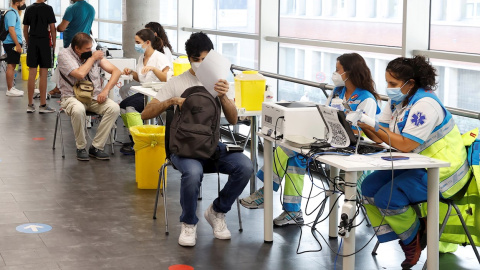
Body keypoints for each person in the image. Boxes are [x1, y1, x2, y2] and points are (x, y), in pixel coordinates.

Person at [240, 53, 381, 226]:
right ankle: (292, 213)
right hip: (330, 139)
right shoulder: (338, 92)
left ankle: (266, 192)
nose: (334, 73)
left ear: (350, 72)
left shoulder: (367, 99)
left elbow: (362, 131)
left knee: (286, 149)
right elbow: (326, 114)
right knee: (296, 156)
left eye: (338, 70)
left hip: (351, 147)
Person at [141, 32, 253, 247]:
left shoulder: (218, 82)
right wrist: (172, 101)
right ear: (189, 58)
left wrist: (223, 96)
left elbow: (232, 119)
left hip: (211, 146)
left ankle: (217, 211)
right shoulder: (178, 82)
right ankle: (189, 223)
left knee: (245, 166)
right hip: (183, 148)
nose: (200, 64)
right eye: (196, 59)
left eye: (204, 59)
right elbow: (146, 113)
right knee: (193, 173)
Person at [359, 56, 471, 269]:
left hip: (444, 170)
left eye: (392, 84)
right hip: (416, 163)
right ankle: (412, 230)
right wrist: (361, 123)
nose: (388, 88)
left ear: (410, 83)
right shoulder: (397, 100)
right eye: (387, 83)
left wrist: (373, 125)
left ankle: (411, 240)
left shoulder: (425, 104)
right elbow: (379, 135)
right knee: (368, 187)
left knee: (386, 197)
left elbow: (406, 144)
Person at [57, 32, 121, 161]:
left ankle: (97, 146)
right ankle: (81, 147)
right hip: (71, 97)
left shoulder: (93, 53)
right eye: (87, 49)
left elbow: (116, 71)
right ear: (77, 49)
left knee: (113, 108)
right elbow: (80, 74)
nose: (90, 51)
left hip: (94, 97)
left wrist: (105, 91)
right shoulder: (64, 55)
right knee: (78, 109)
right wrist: (91, 59)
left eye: (91, 48)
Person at [119, 28, 172, 155]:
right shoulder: (141, 57)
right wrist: (132, 72)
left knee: (131, 107)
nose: (136, 45)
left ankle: (143, 143)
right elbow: (141, 78)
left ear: (147, 42)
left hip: (158, 94)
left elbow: (166, 78)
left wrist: (153, 69)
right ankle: (135, 139)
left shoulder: (160, 58)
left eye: (138, 42)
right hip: (144, 91)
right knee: (122, 106)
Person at [49, 0, 95, 98]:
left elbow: (62, 28)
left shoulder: (72, 8)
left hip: (73, 43)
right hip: (85, 43)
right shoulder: (91, 8)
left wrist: (56, 27)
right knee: (81, 65)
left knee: (65, 66)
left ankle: (59, 88)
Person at [23, 0, 56, 113]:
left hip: (33, 42)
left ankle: (30, 105)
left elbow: (25, 29)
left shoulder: (29, 9)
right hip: (44, 43)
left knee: (32, 73)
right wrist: (54, 45)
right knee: (43, 74)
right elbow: (52, 28)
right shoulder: (48, 8)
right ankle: (42, 105)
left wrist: (29, 42)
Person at [3, 0, 26, 97]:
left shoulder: (15, 12)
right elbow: (11, 30)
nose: (24, 4)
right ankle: (9, 89)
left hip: (13, 43)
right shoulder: (11, 13)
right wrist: (17, 44)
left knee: (12, 66)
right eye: (23, 2)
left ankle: (11, 87)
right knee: (11, 66)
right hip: (11, 43)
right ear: (17, 3)